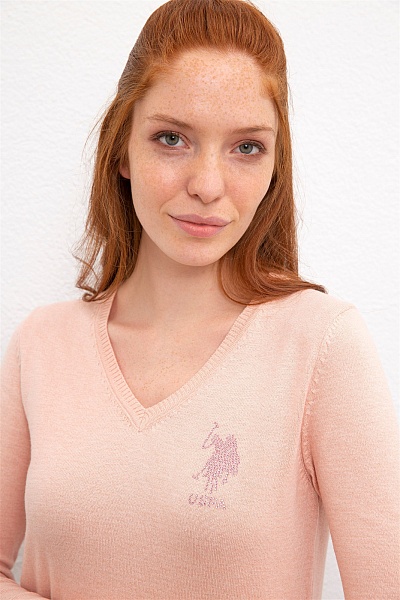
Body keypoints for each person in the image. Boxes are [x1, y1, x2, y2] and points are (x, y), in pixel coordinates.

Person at [1, 0, 398, 598]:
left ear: (275, 165)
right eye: (172, 139)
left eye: (247, 147)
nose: (208, 186)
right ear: (121, 149)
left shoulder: (322, 345)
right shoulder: (41, 343)